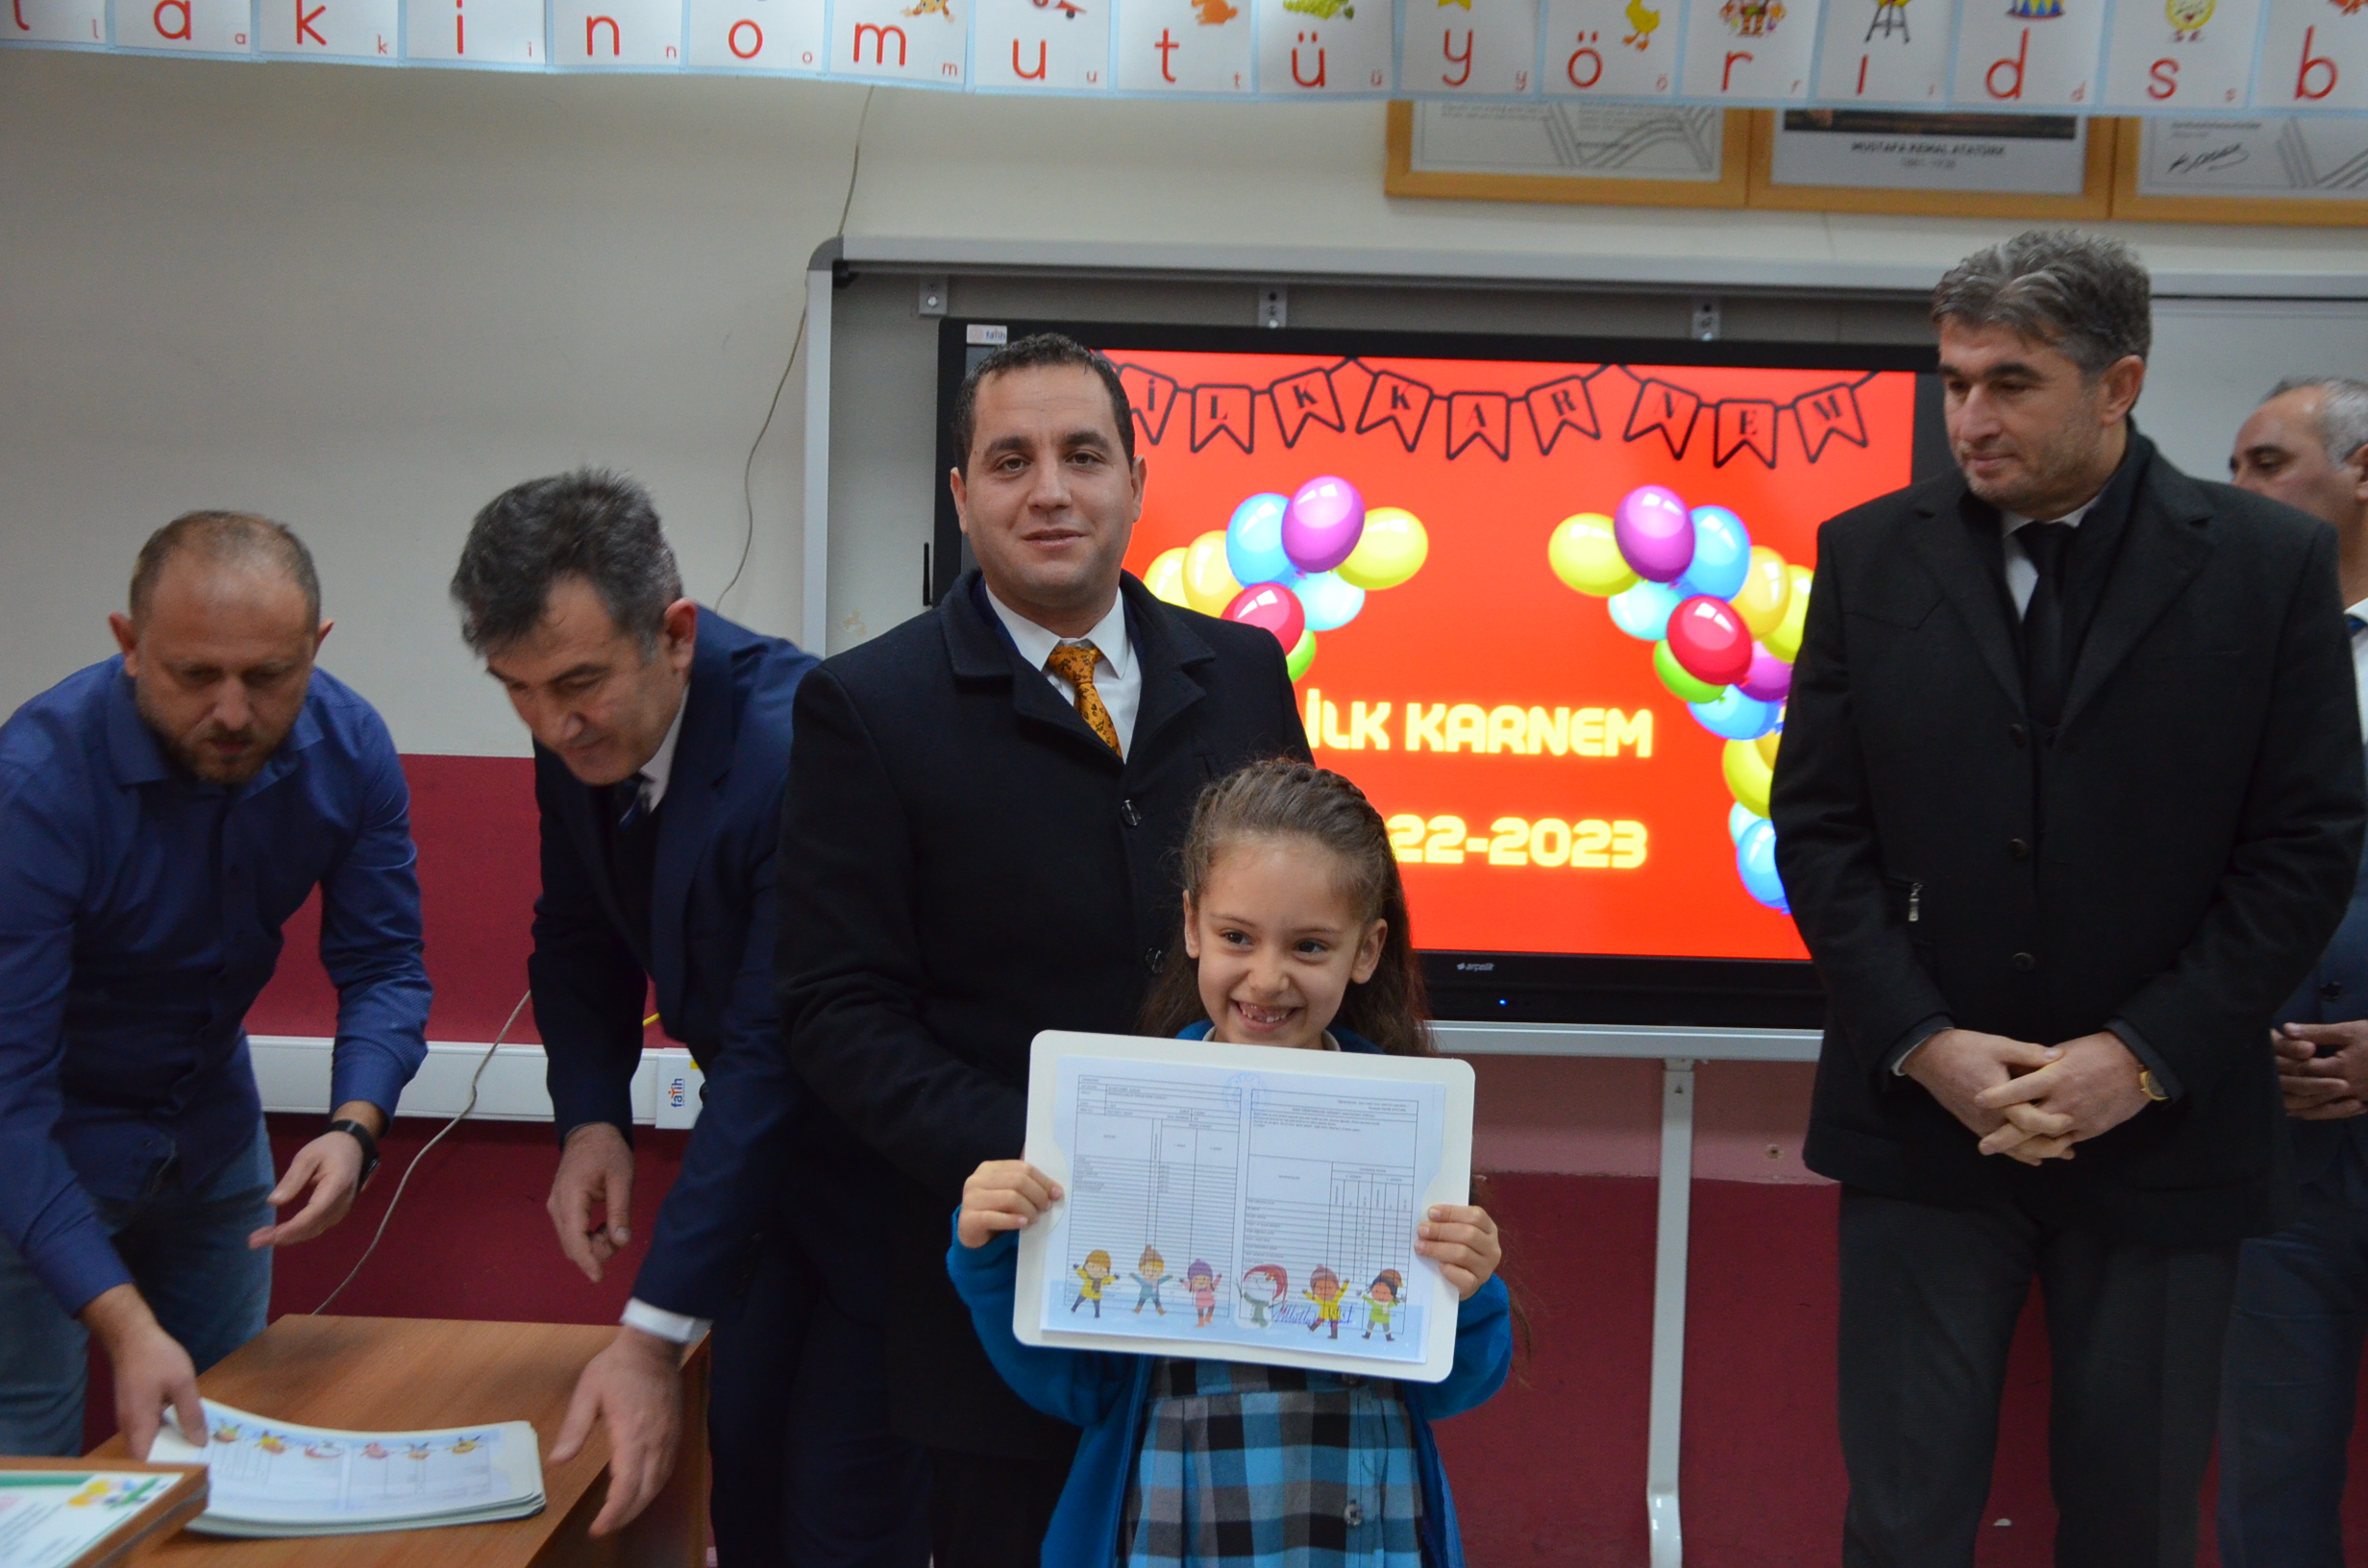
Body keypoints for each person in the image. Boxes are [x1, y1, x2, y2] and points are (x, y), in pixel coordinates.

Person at [1770, 233, 2366, 1567]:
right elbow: (1818, 829)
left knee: (2133, 1521)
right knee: (1903, 1519)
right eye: (1954, 381)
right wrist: (1923, 1043)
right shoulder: (1870, 554)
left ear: (2119, 386)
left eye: (2011, 383)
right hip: (1922, 1121)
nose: (1970, 419)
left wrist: (2140, 1058)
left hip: (2169, 1129)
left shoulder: (2266, 564)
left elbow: (2303, 849)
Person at [777, 332, 1314, 1568]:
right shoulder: (867, 706)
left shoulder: (1243, 672)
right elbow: (835, 1010)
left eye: (1082, 454)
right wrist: (1053, 1155)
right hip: (1005, 1287)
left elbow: (1309, 925)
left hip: (1240, 1283)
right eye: (1009, 461)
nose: (1050, 491)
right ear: (961, 495)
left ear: (1135, 480)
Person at [446, 473, 925, 1565]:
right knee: (744, 1492)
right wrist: (591, 1120)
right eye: (517, 691)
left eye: (576, 684)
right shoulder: (576, 726)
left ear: (673, 634)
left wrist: (650, 1336)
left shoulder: (798, 745)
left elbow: (771, 1054)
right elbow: (576, 932)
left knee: (841, 1522)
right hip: (761, 1198)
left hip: (876, 1196)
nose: (551, 724)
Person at [948, 760, 1512, 1568]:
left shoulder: (1411, 1127)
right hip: (1174, 1514)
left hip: (1357, 1519)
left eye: (1310, 945)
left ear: (1366, 950)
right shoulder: (1113, 1120)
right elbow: (1077, 1386)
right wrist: (992, 1257)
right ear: (1192, 926)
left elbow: (1453, 1385)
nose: (1267, 978)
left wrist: (1473, 1286)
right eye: (1237, 937)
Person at [0, 513, 431, 1459]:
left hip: (209, 1130)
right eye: (195, 675)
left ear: (315, 648)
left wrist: (354, 1126)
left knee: (225, 1443)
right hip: (38, 1145)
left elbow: (385, 963)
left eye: (269, 676)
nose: (233, 713)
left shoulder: (349, 744)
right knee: (25, 1462)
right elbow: (6, 1094)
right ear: (129, 644)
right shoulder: (34, 785)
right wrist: (125, 1322)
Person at [2216, 376, 2368, 1568]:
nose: (2237, 494)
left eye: (2266, 464)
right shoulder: (2217, 659)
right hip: (2271, 1140)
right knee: (2270, 1477)